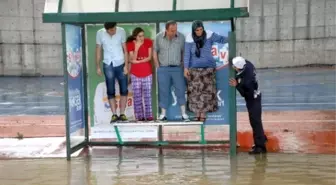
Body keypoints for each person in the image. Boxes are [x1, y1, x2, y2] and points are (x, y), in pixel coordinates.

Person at [184, 20, 228, 122]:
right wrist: (185, 68)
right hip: (194, 70)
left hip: (208, 69)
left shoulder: (209, 35)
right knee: (195, 93)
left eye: (200, 29)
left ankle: (203, 114)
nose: (199, 32)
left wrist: (233, 37)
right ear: (193, 30)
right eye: (197, 30)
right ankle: (197, 113)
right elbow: (187, 55)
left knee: (206, 93)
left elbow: (222, 39)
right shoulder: (189, 38)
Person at [229, 56, 267, 154]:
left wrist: (237, 85)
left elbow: (245, 94)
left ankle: (260, 147)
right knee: (256, 121)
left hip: (253, 99)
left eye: (234, 66)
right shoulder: (248, 64)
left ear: (238, 67)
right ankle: (262, 139)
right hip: (255, 94)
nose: (233, 67)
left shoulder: (247, 81)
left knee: (255, 121)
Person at [153, 20, 189, 122]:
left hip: (177, 68)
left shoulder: (181, 37)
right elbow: (155, 51)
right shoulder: (158, 37)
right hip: (163, 68)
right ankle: (163, 115)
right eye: (172, 30)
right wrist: (157, 66)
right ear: (166, 30)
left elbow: (183, 52)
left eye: (175, 30)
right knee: (163, 91)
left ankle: (184, 114)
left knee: (180, 90)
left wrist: (182, 64)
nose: (174, 32)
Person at [95, 22, 129, 123]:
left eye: (114, 29)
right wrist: (97, 66)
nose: (113, 31)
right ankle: (114, 115)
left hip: (120, 62)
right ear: (106, 29)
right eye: (110, 30)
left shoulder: (121, 31)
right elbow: (98, 50)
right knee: (110, 89)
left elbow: (125, 50)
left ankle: (122, 113)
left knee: (124, 89)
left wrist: (126, 65)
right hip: (108, 63)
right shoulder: (100, 33)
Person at [126, 27, 154, 122]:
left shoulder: (148, 42)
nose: (142, 38)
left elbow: (149, 57)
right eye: (139, 36)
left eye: (143, 35)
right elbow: (132, 58)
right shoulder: (130, 44)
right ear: (135, 37)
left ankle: (149, 115)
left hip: (147, 72)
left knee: (147, 95)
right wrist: (137, 48)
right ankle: (139, 116)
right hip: (135, 73)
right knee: (137, 96)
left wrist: (138, 61)